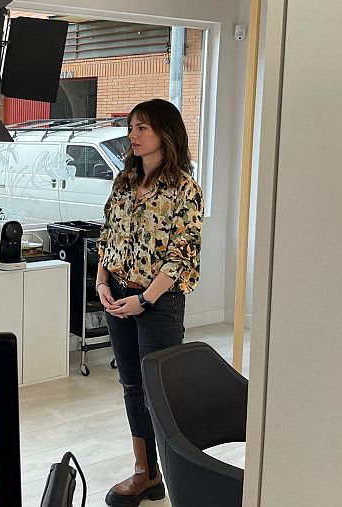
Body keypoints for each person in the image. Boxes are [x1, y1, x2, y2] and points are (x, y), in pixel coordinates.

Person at [95, 98, 203, 507]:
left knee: (159, 390)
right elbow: (110, 235)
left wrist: (145, 298)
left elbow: (183, 254)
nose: (133, 135)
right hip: (119, 295)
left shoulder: (184, 189)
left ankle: (176, 474)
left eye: (142, 127)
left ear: (165, 132)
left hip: (158, 301)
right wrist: (102, 281)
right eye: (131, 127)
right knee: (131, 386)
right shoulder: (124, 182)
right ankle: (145, 472)